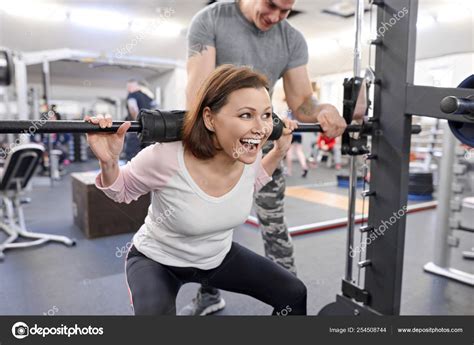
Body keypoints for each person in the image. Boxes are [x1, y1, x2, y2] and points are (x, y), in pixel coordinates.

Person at [85, 65, 307, 315]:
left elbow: (251, 182)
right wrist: (109, 162)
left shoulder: (248, 152)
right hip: (158, 260)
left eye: (267, 115)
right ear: (210, 118)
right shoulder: (167, 156)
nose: (261, 128)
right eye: (246, 115)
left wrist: (278, 151)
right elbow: (122, 190)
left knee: (293, 293)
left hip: (217, 257)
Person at [183, 0, 347, 315]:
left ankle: (288, 303)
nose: (276, 17)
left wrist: (323, 109)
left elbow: (302, 103)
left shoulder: (291, 38)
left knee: (274, 223)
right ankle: (209, 294)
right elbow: (198, 93)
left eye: (286, 10)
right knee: (211, 225)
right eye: (271, 5)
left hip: (262, 143)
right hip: (217, 144)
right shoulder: (211, 19)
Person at [124, 79, 156, 161]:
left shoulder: (132, 95)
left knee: (132, 155)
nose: (128, 89)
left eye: (129, 86)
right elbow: (155, 107)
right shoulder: (148, 97)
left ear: (133, 86)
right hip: (149, 129)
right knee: (147, 153)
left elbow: (133, 108)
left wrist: (138, 121)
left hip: (136, 128)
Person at [285, 110, 309, 177]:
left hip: (292, 133)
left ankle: (289, 171)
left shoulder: (289, 111)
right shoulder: (300, 112)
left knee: (289, 152)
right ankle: (304, 167)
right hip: (299, 134)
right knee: (299, 151)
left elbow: (287, 122)